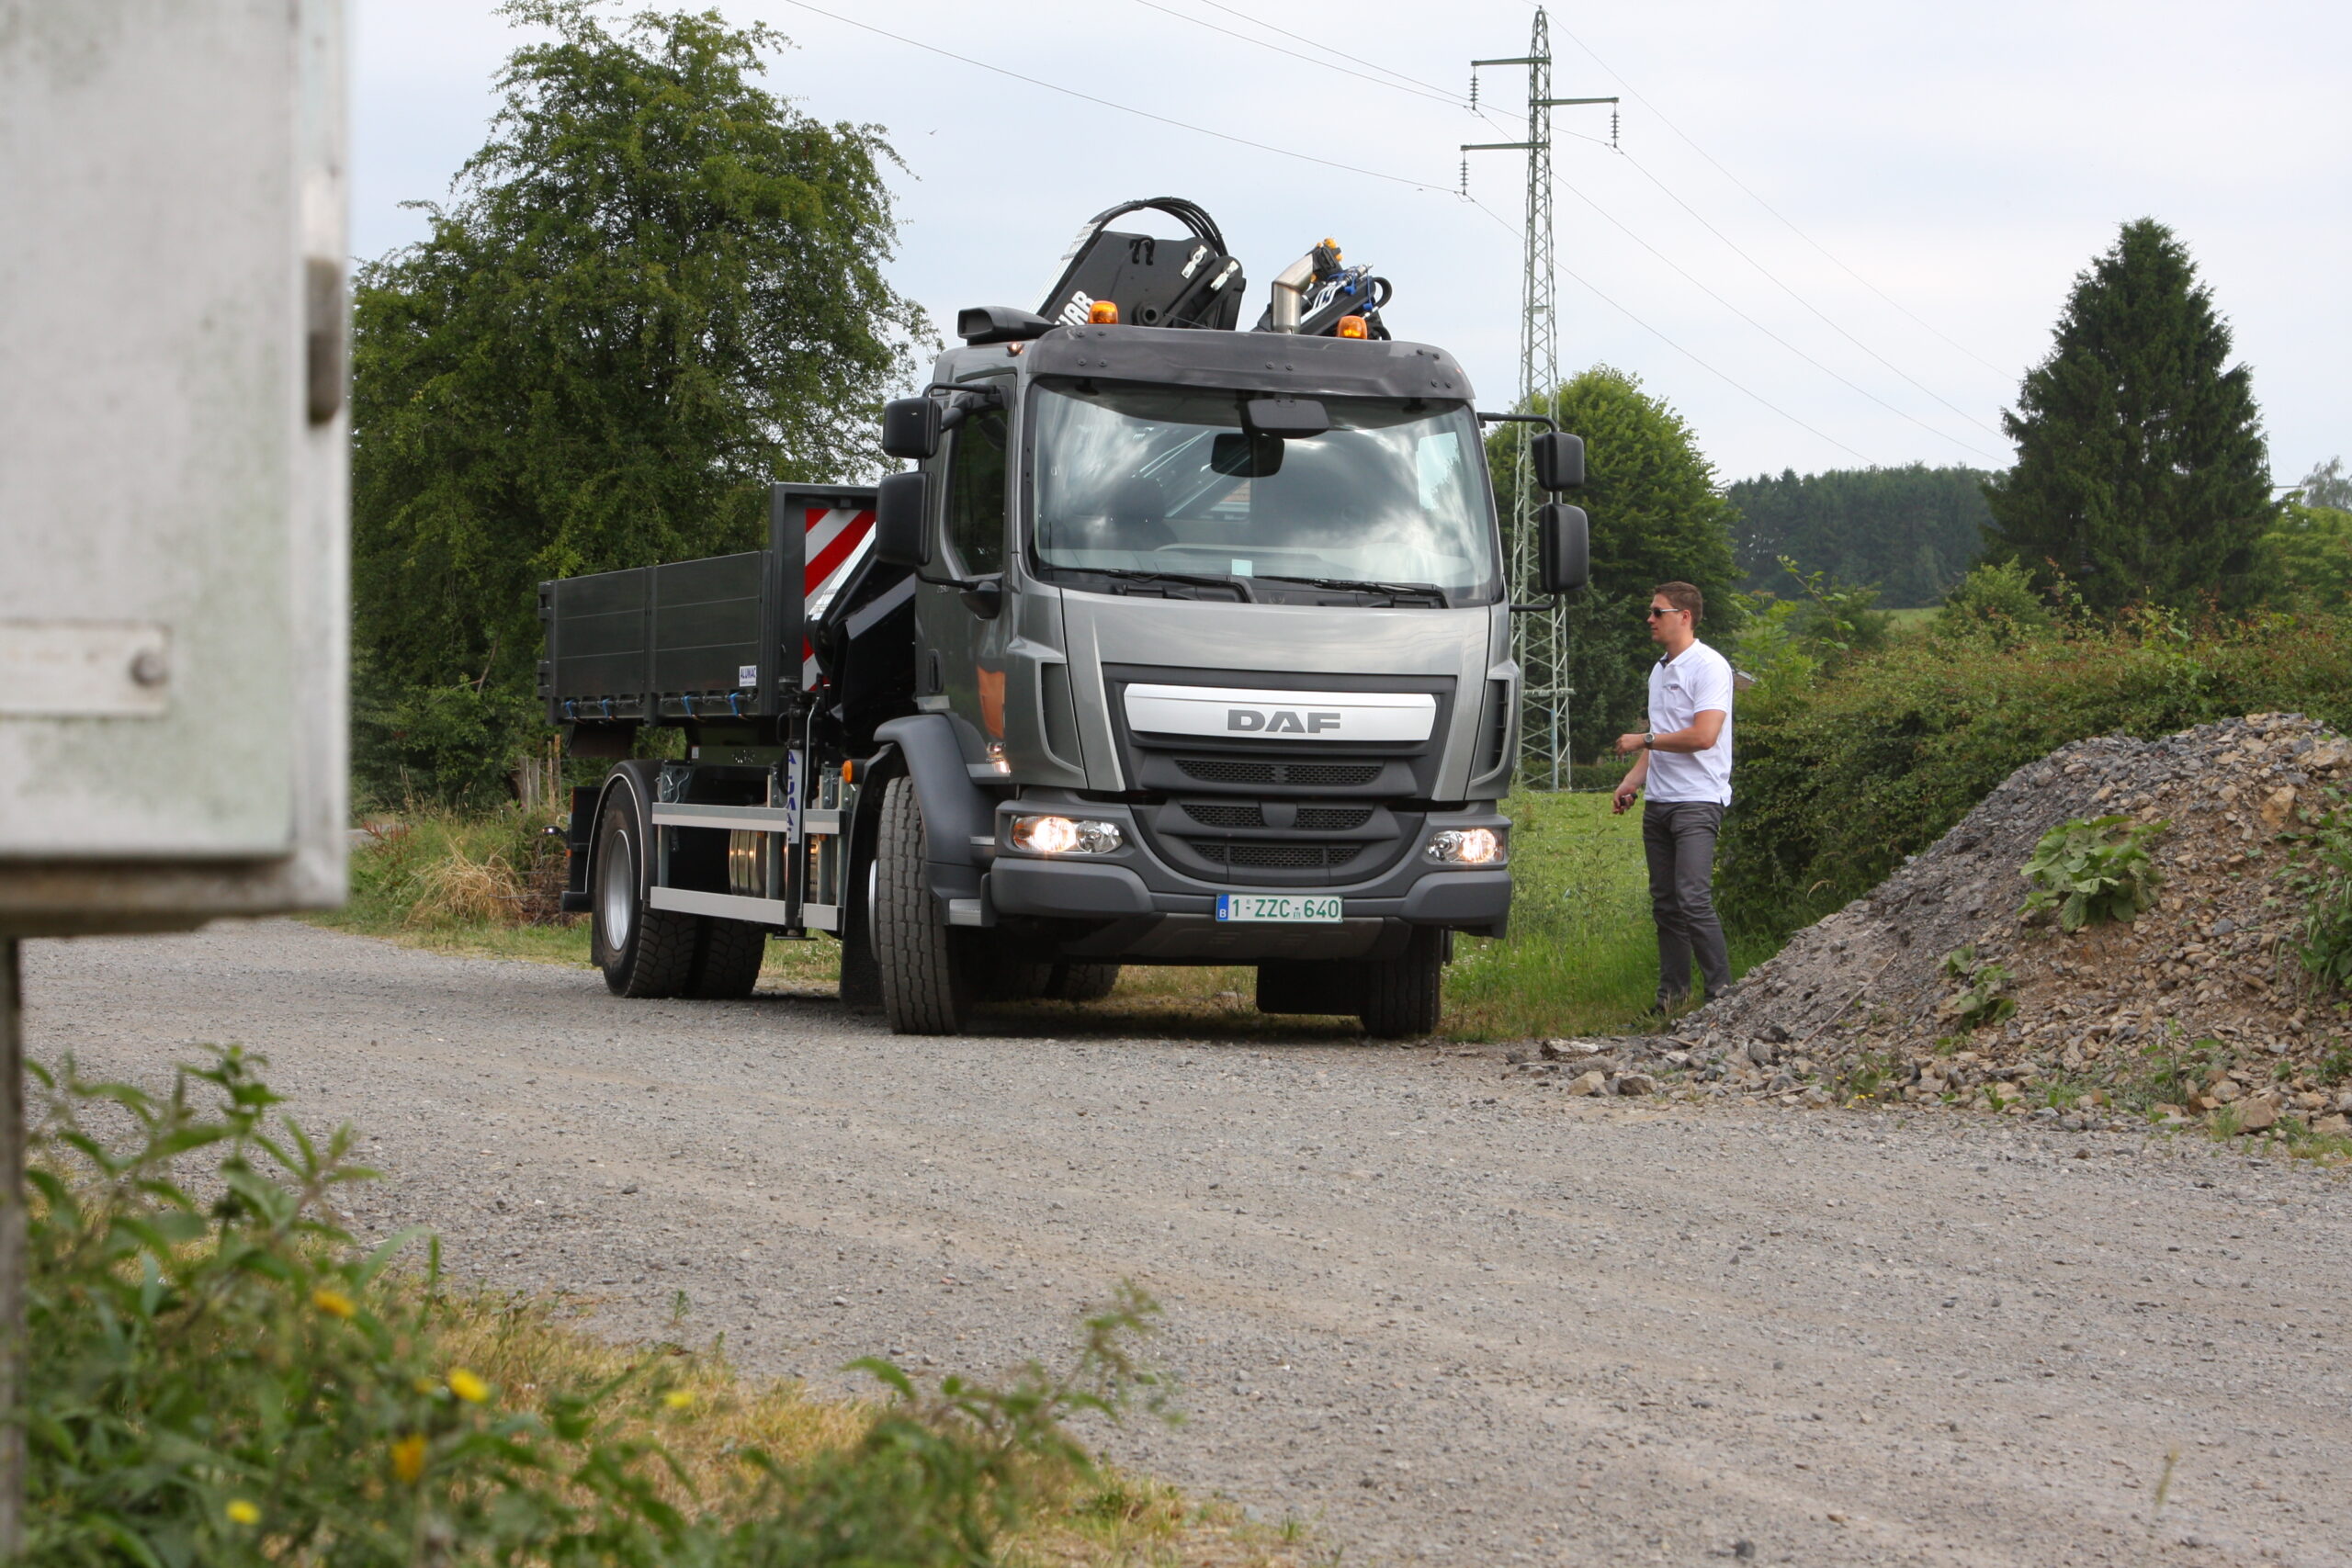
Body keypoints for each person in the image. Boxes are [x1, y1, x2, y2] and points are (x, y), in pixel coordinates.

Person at [1612, 581, 1735, 1014]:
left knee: (1692, 897)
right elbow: (1658, 744)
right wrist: (1632, 781)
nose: (1650, 619)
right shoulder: (1659, 669)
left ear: (1684, 616)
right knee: (1665, 904)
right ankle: (1672, 999)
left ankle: (1722, 997)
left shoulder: (1709, 667)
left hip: (1698, 800)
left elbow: (1704, 736)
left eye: (1657, 611)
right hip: (1660, 801)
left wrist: (1644, 737)